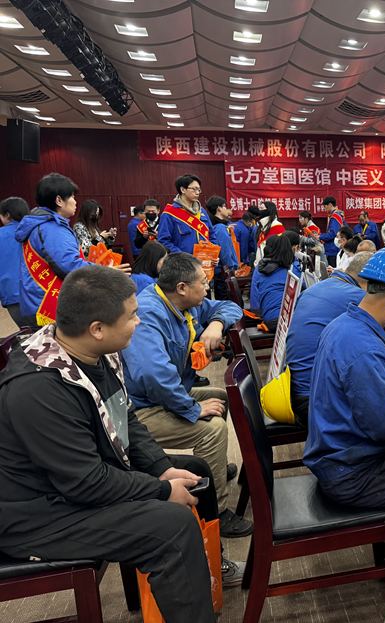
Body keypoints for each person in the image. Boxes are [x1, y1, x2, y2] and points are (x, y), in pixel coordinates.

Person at [0, 266, 221, 622]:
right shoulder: (39, 389)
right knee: (173, 527)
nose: (138, 322)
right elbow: (86, 483)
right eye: (131, 316)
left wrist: (162, 469)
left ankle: (205, 577)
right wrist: (161, 490)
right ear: (97, 329)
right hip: (37, 515)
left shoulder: (94, 351)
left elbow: (124, 417)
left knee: (193, 471)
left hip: (76, 481)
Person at [122, 253, 252, 538]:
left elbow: (231, 306)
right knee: (212, 430)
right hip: (139, 409)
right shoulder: (149, 314)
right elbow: (153, 377)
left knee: (221, 397)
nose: (207, 288)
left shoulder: (183, 302)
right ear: (182, 287)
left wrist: (216, 324)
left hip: (165, 394)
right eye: (203, 283)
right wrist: (192, 408)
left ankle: (213, 468)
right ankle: (215, 512)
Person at [304, 247, 385, 510]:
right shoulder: (365, 348)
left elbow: (356, 392)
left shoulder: (344, 325)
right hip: (353, 472)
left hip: (346, 453)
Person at [15, 173, 129, 328]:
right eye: (73, 197)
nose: (76, 202)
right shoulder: (52, 228)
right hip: (49, 305)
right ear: (59, 200)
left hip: (35, 299)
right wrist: (105, 271)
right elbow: (69, 266)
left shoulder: (38, 224)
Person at [283, 252, 374, 427]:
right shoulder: (358, 297)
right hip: (314, 400)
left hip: (291, 390)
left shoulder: (313, 289)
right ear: (370, 282)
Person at [250, 232, 301, 332]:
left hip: (266, 317)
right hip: (281, 320)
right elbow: (308, 285)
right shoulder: (292, 268)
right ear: (294, 248)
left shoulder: (262, 267)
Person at [157, 174, 218, 256]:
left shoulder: (202, 212)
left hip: (204, 261)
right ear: (183, 190)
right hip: (182, 262)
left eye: (199, 190)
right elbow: (163, 242)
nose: (197, 193)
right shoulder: (169, 213)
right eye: (194, 189)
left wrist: (213, 254)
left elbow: (212, 235)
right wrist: (184, 257)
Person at [0, 197, 30, 327]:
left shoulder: (1, 235)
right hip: (41, 293)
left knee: (29, 334)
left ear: (7, 215)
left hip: (13, 294)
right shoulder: (37, 230)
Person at [206, 195, 239, 301]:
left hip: (220, 271)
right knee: (226, 300)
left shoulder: (216, 226)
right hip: (223, 271)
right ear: (219, 209)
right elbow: (224, 252)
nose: (227, 210)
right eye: (225, 206)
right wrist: (231, 267)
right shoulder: (220, 228)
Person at [319, 196, 346, 267]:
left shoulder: (335, 217)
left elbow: (334, 234)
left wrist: (320, 237)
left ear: (330, 205)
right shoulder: (334, 215)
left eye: (325, 207)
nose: (325, 209)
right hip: (332, 249)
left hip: (333, 249)